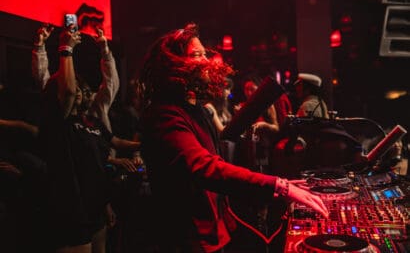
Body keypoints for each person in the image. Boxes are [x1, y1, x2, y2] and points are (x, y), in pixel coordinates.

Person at [139, 23, 328, 253]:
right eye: (196, 55)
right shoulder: (164, 115)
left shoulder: (195, 108)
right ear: (173, 66)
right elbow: (204, 167)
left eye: (204, 54)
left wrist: (280, 187)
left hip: (215, 233)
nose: (207, 62)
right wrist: (278, 185)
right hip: (189, 241)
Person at [38, 25, 140, 253]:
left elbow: (102, 153)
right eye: (76, 87)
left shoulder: (91, 121)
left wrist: (105, 204)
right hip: (70, 207)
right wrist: (64, 48)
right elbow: (62, 90)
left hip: (95, 205)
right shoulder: (58, 122)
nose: (79, 92)